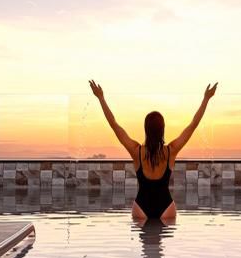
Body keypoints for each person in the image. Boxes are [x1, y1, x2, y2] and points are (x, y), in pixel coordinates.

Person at [88, 80, 217, 224]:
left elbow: (113, 124)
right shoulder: (171, 151)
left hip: (141, 207)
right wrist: (206, 99)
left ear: (146, 129)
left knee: (144, 237)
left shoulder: (136, 151)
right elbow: (193, 125)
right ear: (163, 129)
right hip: (166, 207)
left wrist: (101, 98)